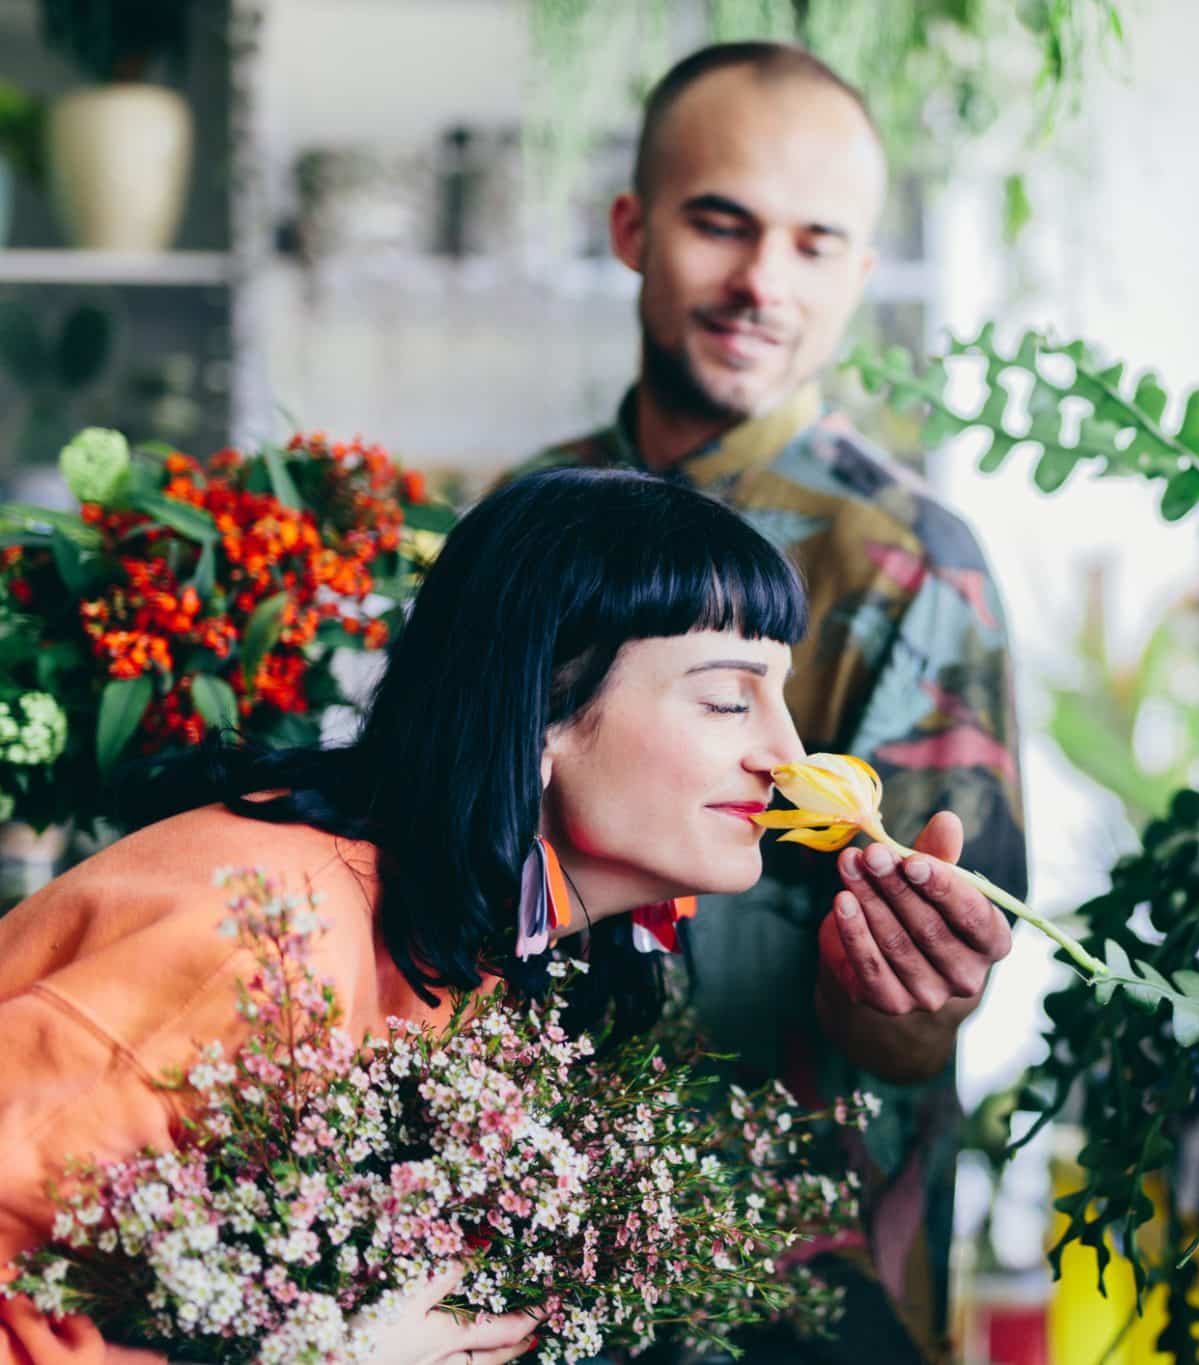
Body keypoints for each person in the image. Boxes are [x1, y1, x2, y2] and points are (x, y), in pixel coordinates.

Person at [0, 468, 1010, 1364]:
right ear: (541, 711)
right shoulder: (267, 932)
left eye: (779, 697)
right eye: (724, 699)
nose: (786, 755)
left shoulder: (520, 957)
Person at [513, 42, 1027, 1361]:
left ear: (860, 275)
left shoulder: (909, 565)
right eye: (721, 224)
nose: (760, 282)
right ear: (633, 229)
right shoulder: (523, 523)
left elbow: (920, 1029)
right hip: (509, 1245)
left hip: (798, 1270)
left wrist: (910, 982)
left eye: (815, 244)